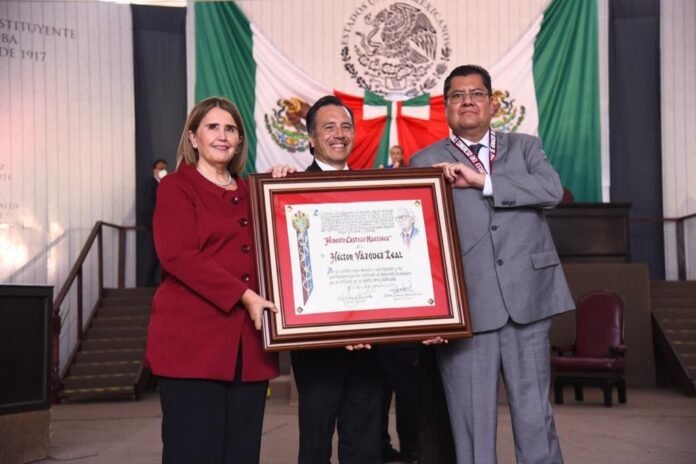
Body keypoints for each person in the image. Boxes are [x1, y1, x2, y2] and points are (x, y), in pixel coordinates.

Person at [410, 65, 575, 464]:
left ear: (492, 103)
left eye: (476, 93)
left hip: (528, 300)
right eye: (457, 95)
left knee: (535, 417)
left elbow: (551, 190)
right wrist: (430, 315)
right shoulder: (424, 161)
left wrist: (481, 181)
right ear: (446, 106)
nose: (467, 101)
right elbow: (417, 243)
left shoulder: (525, 147)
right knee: (471, 423)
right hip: (467, 309)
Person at [146, 97, 279, 464]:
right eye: (213, 127)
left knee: (242, 454)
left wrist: (286, 183)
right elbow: (178, 255)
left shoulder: (255, 191)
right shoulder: (176, 187)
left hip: (248, 349)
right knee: (193, 453)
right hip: (192, 346)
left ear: (239, 140)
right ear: (193, 137)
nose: (223, 135)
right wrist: (245, 295)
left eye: (231, 129)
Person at [273, 95, 383, 464]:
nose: (339, 134)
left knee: (365, 443)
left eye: (346, 126)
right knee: (316, 443)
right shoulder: (288, 189)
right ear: (310, 138)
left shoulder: (376, 190)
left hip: (369, 340)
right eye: (329, 127)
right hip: (317, 343)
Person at [141, 158, 167, 287]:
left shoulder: (164, 184)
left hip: (160, 221)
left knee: (158, 251)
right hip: (152, 220)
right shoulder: (150, 184)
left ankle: (154, 280)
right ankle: (149, 281)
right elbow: (148, 204)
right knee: (155, 251)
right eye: (160, 169)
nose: (163, 171)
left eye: (164, 169)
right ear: (154, 170)